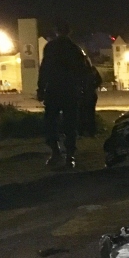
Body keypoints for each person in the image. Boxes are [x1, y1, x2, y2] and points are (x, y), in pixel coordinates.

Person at [37, 21, 91, 169]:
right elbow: (83, 71)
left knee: (51, 122)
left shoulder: (50, 47)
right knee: (70, 123)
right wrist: (83, 89)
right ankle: (70, 155)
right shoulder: (74, 49)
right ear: (70, 32)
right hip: (70, 90)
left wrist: (41, 88)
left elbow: (44, 69)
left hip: (53, 90)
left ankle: (55, 152)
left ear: (56, 31)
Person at [78, 62, 101, 137]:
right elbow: (99, 80)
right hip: (90, 94)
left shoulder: (79, 70)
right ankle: (91, 132)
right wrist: (93, 86)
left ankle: (82, 132)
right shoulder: (92, 70)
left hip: (84, 95)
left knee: (82, 114)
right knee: (90, 114)